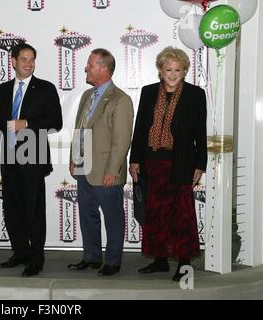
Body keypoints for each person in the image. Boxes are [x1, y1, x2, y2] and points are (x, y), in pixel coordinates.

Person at [129, 46, 207, 282]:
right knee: (156, 214)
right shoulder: (149, 92)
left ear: (184, 71)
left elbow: (200, 133)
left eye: (178, 69)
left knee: (181, 215)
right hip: (152, 162)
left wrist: (200, 164)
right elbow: (141, 128)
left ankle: (184, 263)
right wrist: (134, 159)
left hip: (181, 162)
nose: (172, 74)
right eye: (168, 69)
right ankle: (160, 260)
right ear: (160, 71)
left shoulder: (195, 94)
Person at [0, 43, 62, 277]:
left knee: (34, 211)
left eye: (32, 59)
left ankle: (36, 259)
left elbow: (56, 122)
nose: (29, 64)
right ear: (14, 61)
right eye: (24, 59)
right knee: (12, 210)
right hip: (8, 158)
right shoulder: (3, 89)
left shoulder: (45, 88)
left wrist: (26, 123)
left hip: (33, 157)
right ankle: (20, 253)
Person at [68, 48, 134, 276]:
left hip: (107, 171)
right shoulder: (87, 95)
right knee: (87, 216)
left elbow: (122, 140)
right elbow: (79, 128)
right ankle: (92, 257)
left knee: (113, 219)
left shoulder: (121, 100)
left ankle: (113, 261)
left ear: (104, 68)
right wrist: (73, 158)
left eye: (90, 64)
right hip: (83, 168)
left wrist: (112, 171)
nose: (86, 68)